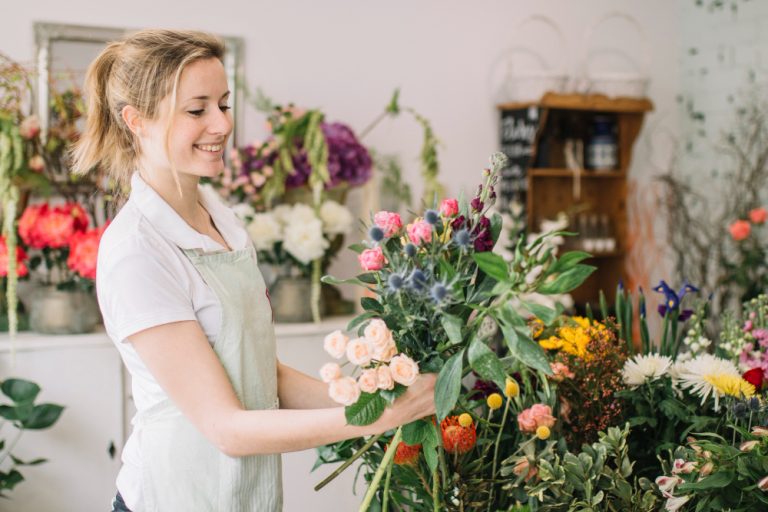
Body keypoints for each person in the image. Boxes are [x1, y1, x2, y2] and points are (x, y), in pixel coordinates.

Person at [70, 29, 436, 512]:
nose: (222, 123)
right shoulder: (138, 250)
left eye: (223, 103)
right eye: (197, 110)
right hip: (176, 497)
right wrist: (378, 418)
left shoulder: (220, 216)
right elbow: (228, 428)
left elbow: (262, 374)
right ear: (137, 120)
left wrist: (379, 391)